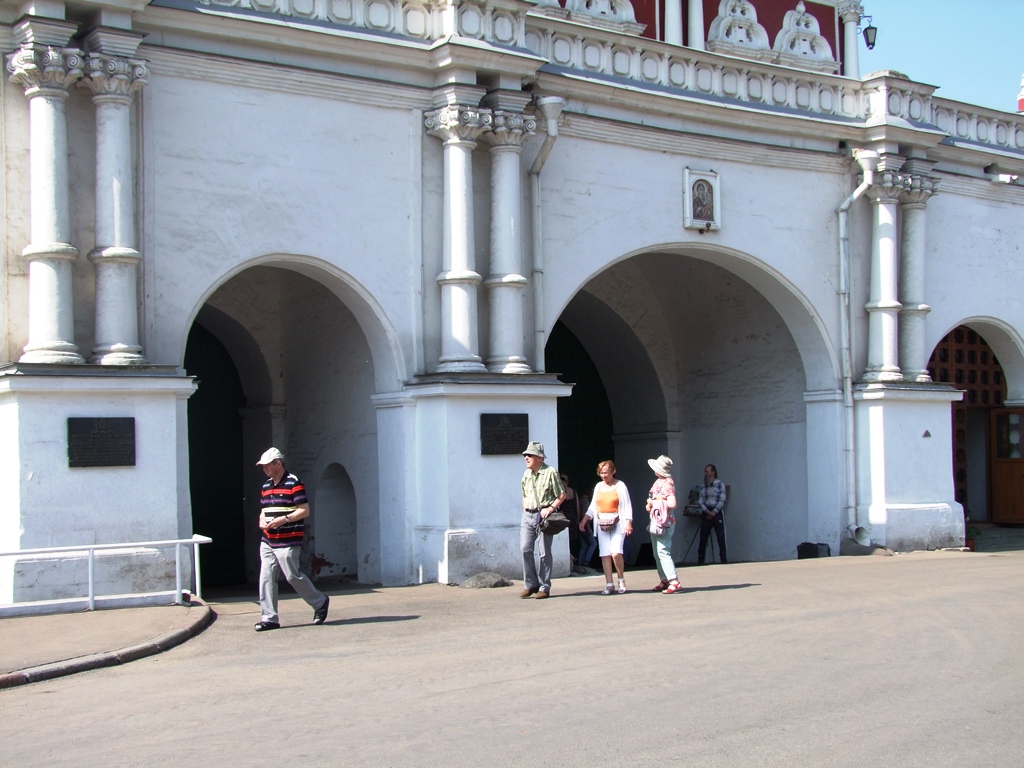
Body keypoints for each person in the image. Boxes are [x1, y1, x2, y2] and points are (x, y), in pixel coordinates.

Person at [254, 447, 330, 631]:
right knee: (266, 577)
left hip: (288, 540)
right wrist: (262, 520)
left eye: (267, 465)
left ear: (277, 463)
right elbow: (263, 510)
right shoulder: (266, 486)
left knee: (292, 576)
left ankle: (319, 602)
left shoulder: (294, 483)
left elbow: (304, 510)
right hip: (268, 540)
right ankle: (269, 618)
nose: (264, 468)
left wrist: (285, 519)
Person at [520, 441, 565, 599]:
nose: (526, 457)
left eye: (529, 455)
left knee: (544, 553)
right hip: (527, 516)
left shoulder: (550, 472)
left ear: (539, 458)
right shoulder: (526, 474)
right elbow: (524, 494)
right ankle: (530, 584)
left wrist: (550, 509)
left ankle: (544, 587)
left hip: (543, 516)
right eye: (525, 455)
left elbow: (561, 495)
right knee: (525, 549)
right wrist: (525, 509)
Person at [579, 460, 633, 594]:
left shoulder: (620, 486)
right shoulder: (598, 487)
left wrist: (629, 522)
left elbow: (627, 505)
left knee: (616, 553)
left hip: (617, 522)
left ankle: (621, 579)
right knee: (605, 554)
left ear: (613, 471)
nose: (604, 475)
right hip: (602, 523)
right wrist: (585, 519)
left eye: (606, 473)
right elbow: (593, 506)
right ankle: (609, 584)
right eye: (601, 473)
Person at [646, 455, 682, 593]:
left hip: (665, 521)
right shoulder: (658, 482)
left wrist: (654, 503)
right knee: (656, 551)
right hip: (656, 520)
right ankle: (664, 578)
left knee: (663, 551)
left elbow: (672, 503)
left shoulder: (667, 483)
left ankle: (673, 580)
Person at [697, 463, 728, 565]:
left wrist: (713, 512)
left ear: (713, 472)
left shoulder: (720, 484)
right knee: (703, 537)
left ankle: (723, 560)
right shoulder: (703, 486)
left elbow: (722, 500)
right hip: (706, 511)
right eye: (705, 472)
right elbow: (700, 501)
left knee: (720, 537)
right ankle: (701, 560)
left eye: (707, 471)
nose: (705, 474)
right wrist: (707, 511)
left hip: (716, 512)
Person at [559, 473, 582, 567]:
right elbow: (578, 507)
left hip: (563, 518)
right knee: (572, 540)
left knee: (564, 540)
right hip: (572, 518)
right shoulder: (573, 491)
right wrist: (578, 519)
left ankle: (570, 559)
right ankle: (573, 559)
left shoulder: (560, 492)